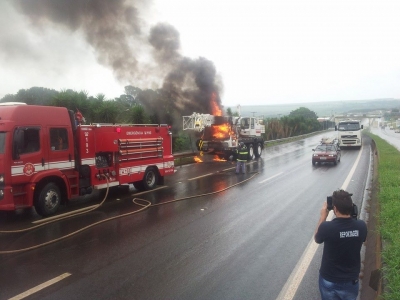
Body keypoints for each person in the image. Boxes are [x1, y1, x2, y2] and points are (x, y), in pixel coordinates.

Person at [314, 189, 367, 300]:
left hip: (329, 279)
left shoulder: (326, 227)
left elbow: (317, 238)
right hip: (351, 281)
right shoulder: (361, 226)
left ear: (335, 209)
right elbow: (360, 239)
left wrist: (323, 216)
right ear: (351, 206)